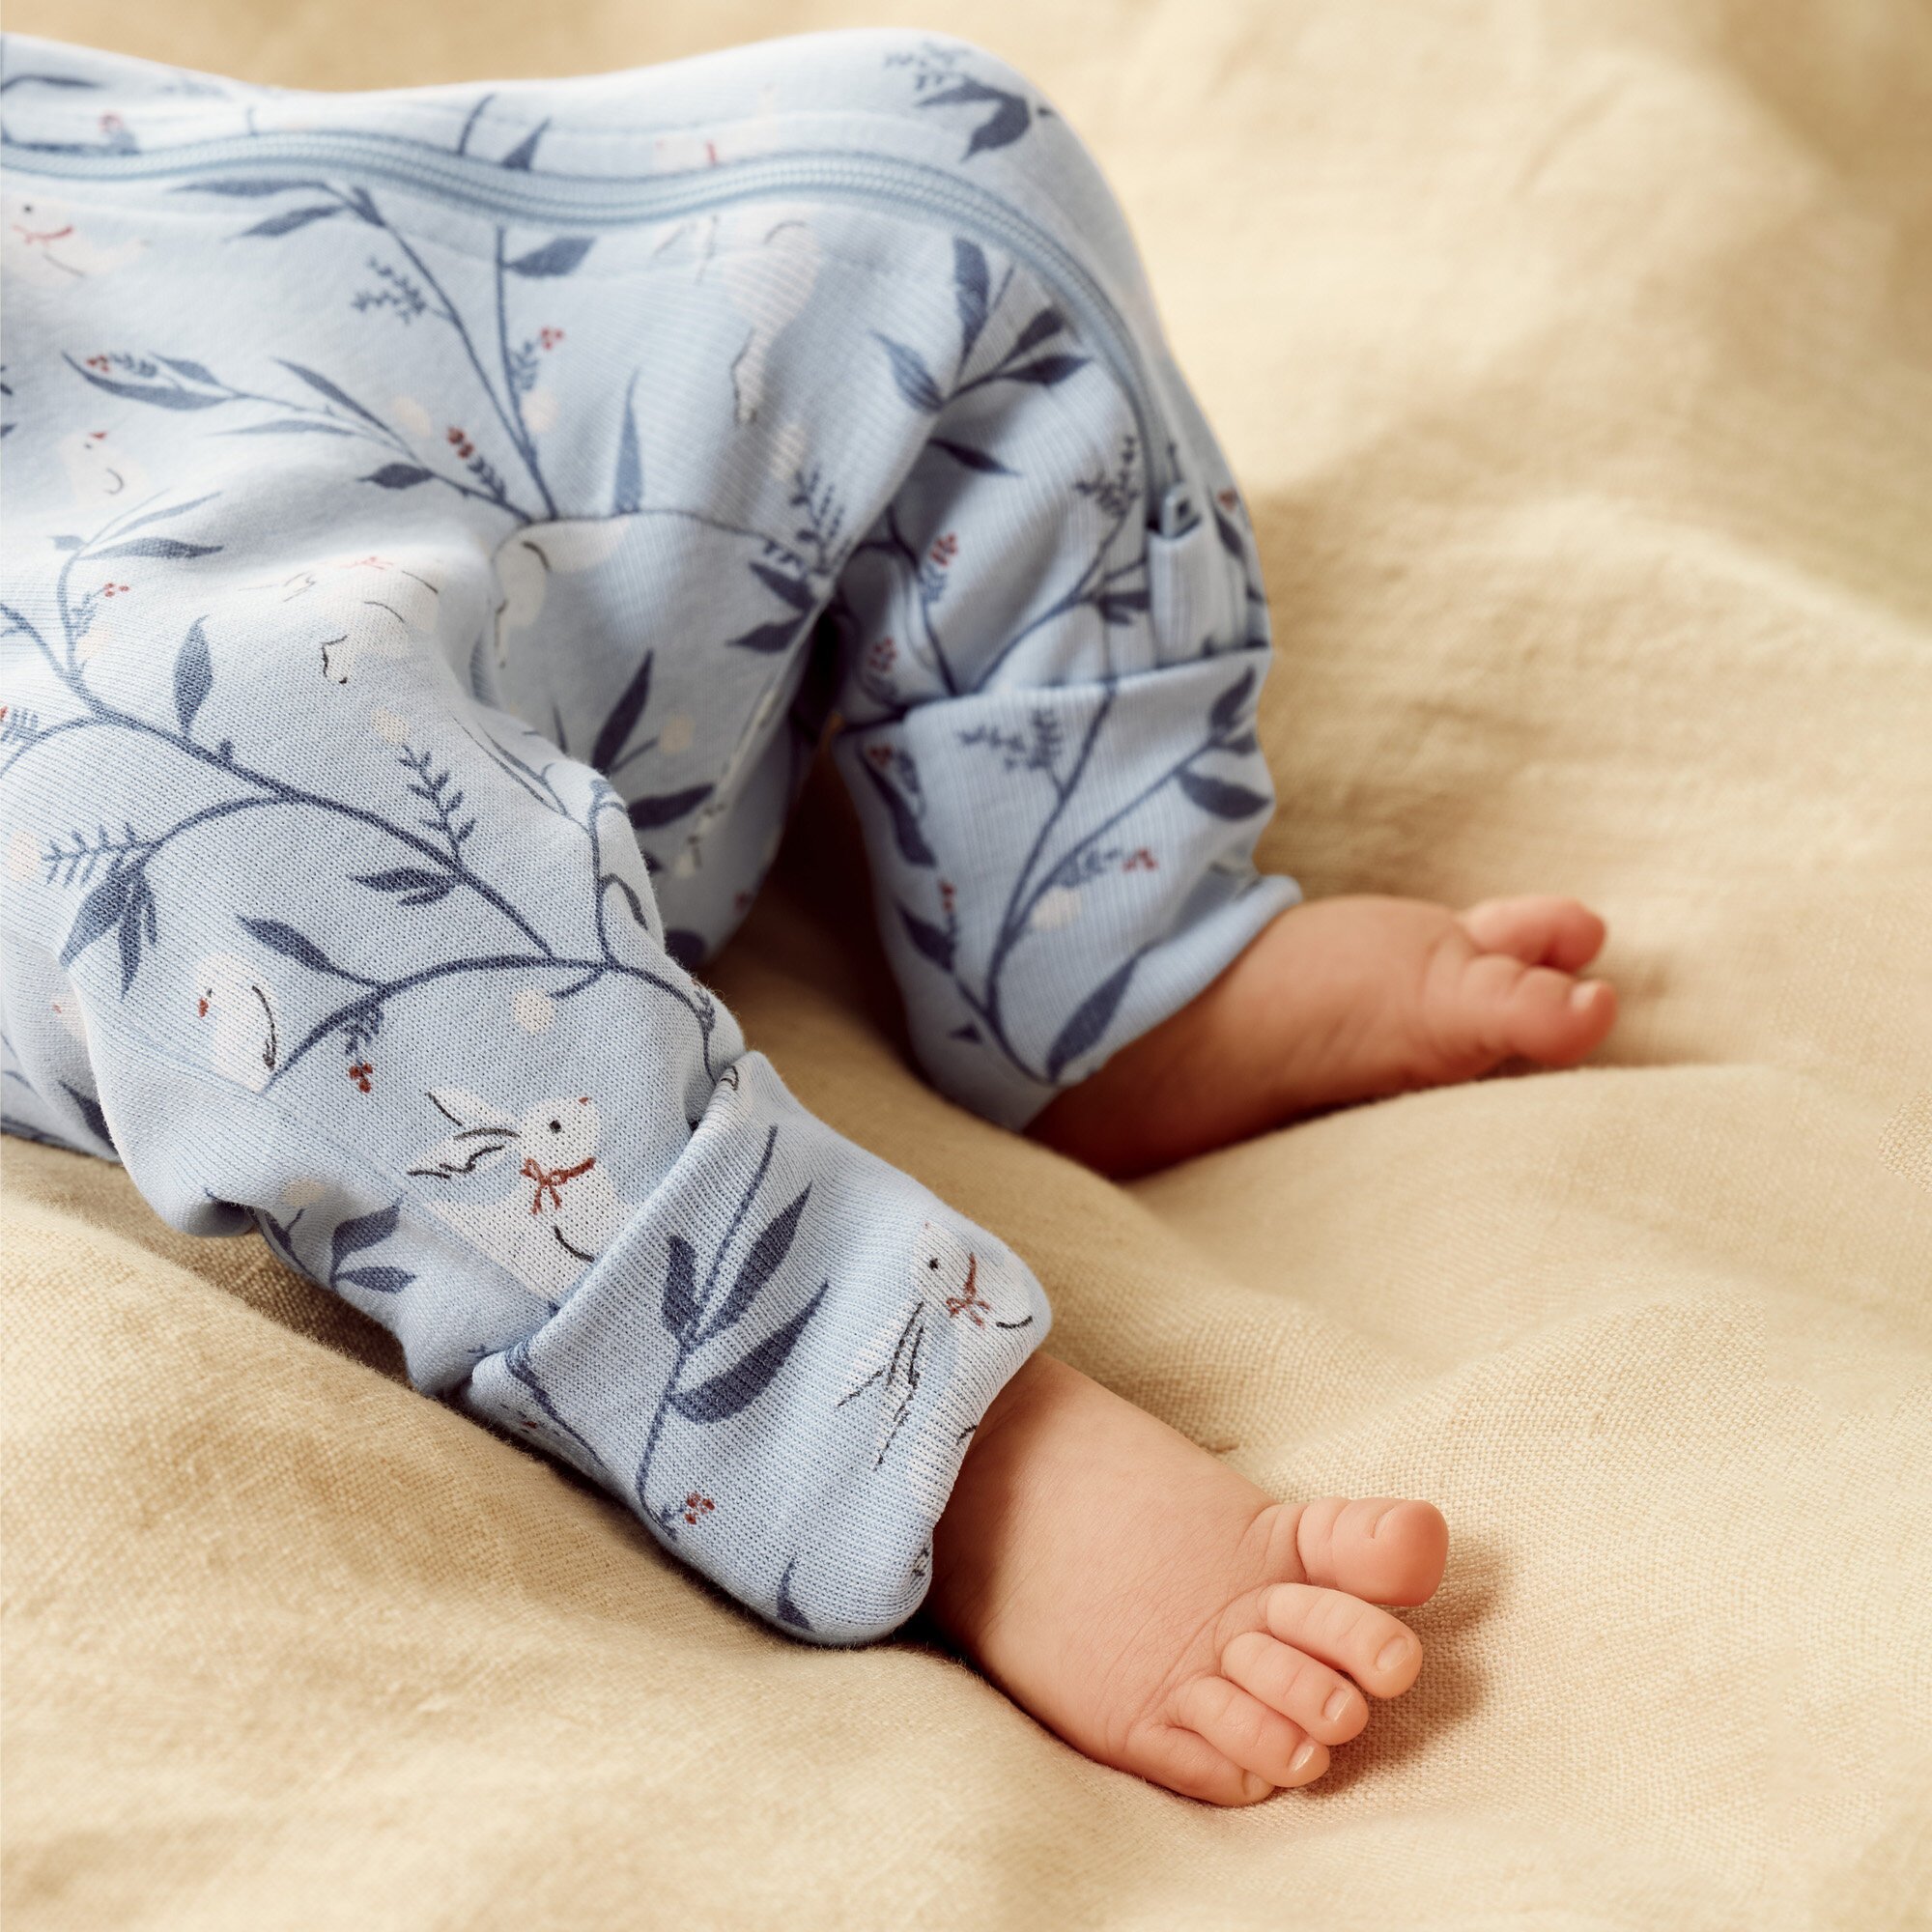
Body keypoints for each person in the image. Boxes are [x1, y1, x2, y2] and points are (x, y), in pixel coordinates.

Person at [0, 27, 1615, 1804]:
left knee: (935, 165)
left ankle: (1092, 929)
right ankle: (923, 1431)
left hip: (192, 285)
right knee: (180, 793)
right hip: (102, 646)